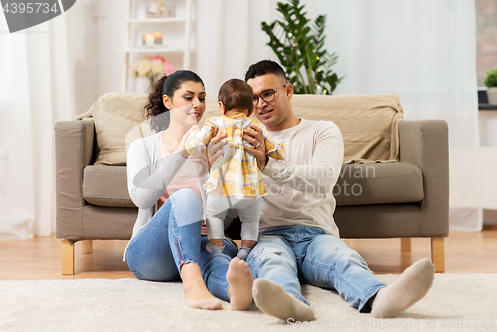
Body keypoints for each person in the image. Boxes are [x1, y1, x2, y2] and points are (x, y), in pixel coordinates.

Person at [205, 60, 435, 321]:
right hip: (269, 235)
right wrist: (215, 171)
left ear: (288, 91)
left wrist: (267, 164)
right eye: (254, 98)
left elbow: (323, 179)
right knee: (271, 263)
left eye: (268, 93)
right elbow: (231, 206)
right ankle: (292, 305)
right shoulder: (241, 139)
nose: (260, 104)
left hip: (317, 233)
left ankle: (380, 298)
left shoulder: (322, 130)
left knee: (343, 259)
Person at [124, 70, 254, 311]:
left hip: (204, 242)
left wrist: (206, 172)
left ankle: (239, 292)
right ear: (167, 101)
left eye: (202, 98)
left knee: (218, 262)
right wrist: (180, 154)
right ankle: (192, 283)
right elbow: (141, 198)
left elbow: (227, 217)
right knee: (184, 196)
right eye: (188, 97)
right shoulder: (142, 146)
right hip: (153, 255)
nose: (198, 105)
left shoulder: (215, 144)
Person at [185, 78, 285, 261]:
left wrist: (194, 142)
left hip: (222, 188)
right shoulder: (256, 128)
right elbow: (278, 151)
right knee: (250, 221)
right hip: (251, 190)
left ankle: (217, 248)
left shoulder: (214, 124)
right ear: (249, 110)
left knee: (214, 216)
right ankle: (245, 251)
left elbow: (193, 145)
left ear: (222, 106)